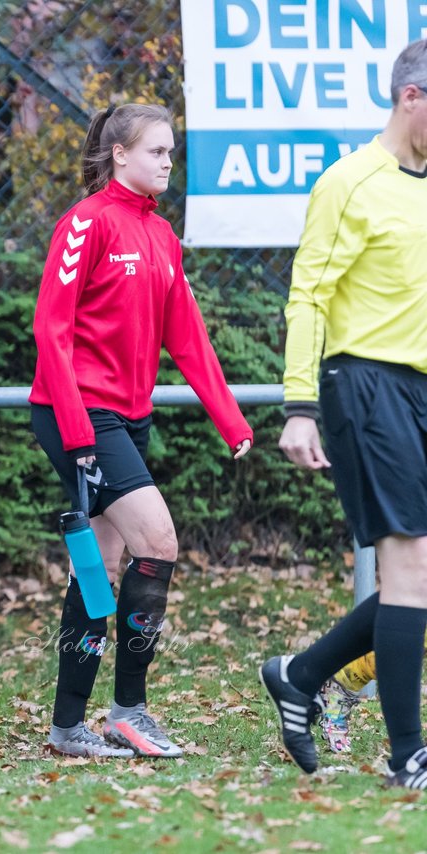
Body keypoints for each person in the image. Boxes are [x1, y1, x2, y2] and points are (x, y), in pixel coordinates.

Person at [29, 103, 253, 759]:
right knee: (157, 542)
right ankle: (129, 710)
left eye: (171, 153)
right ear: (119, 153)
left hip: (129, 416)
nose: (167, 163)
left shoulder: (162, 236)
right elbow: (52, 328)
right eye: (157, 151)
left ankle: (68, 727)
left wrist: (228, 417)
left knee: (98, 570)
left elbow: (187, 336)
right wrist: (75, 432)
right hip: (80, 414)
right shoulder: (85, 223)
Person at [261, 38, 427, 789]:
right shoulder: (348, 182)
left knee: (418, 581)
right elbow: (308, 298)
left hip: (421, 390)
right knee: (409, 568)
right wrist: (300, 407)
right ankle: (407, 757)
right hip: (363, 384)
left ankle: (301, 674)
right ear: (411, 97)